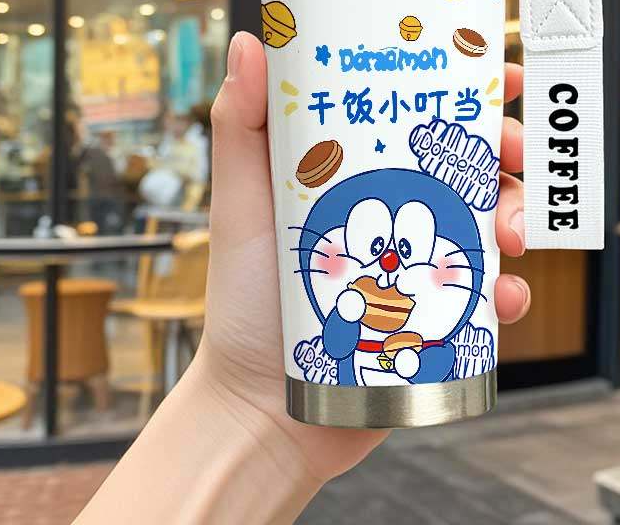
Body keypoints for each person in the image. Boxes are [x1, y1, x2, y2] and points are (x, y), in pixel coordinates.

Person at [76, 32, 530, 524]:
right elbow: (336, 344)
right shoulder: (337, 309)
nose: (388, 266)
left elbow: (435, 351)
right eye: (374, 247)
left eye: (406, 250)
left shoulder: (435, 317)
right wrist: (250, 396)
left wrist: (250, 412)